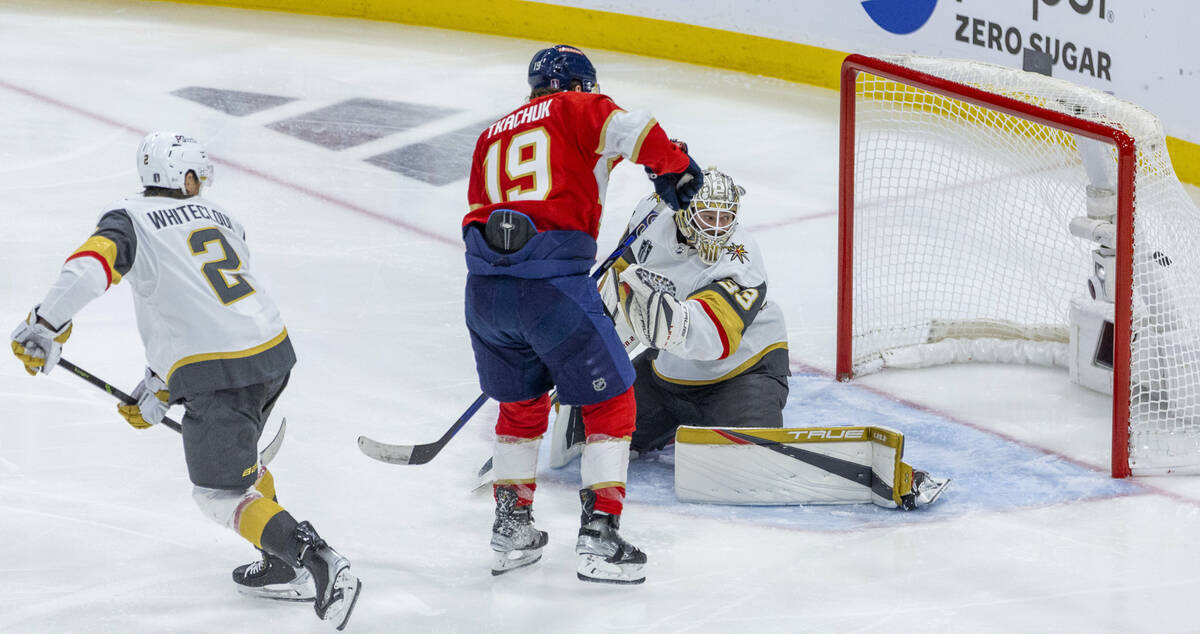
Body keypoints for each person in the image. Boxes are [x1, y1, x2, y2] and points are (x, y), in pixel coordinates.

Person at [10, 132, 362, 629]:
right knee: (241, 459)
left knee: (219, 494)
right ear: (186, 177)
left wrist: (45, 324)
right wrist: (159, 385)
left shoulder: (128, 218)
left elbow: (90, 271)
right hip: (272, 354)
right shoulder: (223, 218)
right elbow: (197, 302)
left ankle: (316, 559)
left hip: (218, 372)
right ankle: (282, 564)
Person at [463, 44, 703, 584]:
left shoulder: (492, 133)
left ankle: (511, 530)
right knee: (613, 401)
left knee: (521, 406)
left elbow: (557, 170)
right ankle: (600, 536)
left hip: (483, 293)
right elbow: (638, 132)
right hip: (552, 289)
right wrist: (677, 165)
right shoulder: (578, 108)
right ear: (581, 85)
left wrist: (651, 160)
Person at [602, 167, 791, 454]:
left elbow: (714, 338)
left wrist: (668, 322)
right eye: (708, 217)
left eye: (725, 218)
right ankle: (674, 422)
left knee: (749, 458)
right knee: (597, 427)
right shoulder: (650, 218)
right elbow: (618, 287)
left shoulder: (741, 256)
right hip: (669, 373)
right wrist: (595, 360)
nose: (717, 228)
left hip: (743, 372)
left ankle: (721, 423)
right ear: (687, 211)